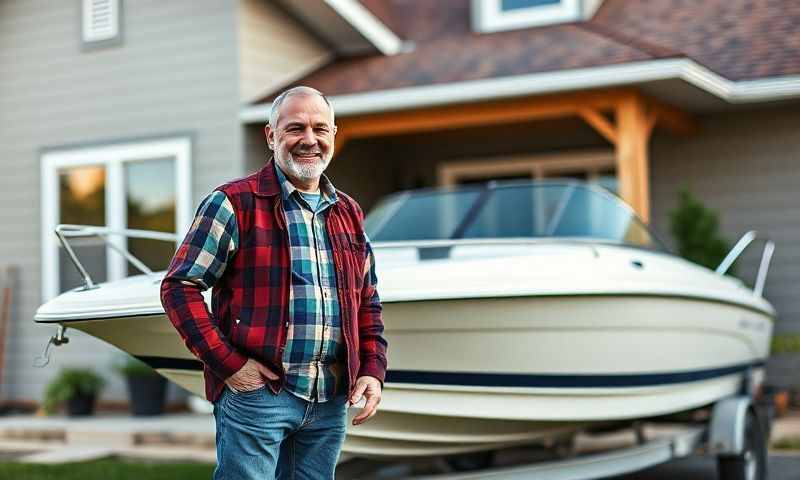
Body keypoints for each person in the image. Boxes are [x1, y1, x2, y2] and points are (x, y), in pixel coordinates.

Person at [160, 86, 387, 479]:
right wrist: (229, 365)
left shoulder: (348, 212)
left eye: (320, 128)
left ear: (334, 134)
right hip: (259, 395)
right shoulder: (232, 202)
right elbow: (180, 287)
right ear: (271, 136)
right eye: (295, 128)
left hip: (330, 397)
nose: (309, 140)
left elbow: (366, 300)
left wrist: (371, 368)